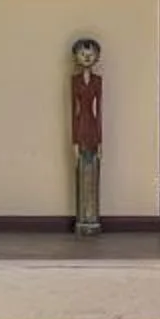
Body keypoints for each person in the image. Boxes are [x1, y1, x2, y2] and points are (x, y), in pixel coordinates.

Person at [69, 37, 104, 236]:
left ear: (97, 57)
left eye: (90, 54)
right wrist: (74, 139)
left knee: (94, 167)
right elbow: (74, 110)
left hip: (93, 128)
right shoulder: (74, 81)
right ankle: (83, 218)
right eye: (83, 54)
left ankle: (93, 218)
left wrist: (100, 140)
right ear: (76, 57)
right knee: (81, 167)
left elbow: (99, 110)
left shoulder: (98, 81)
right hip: (80, 127)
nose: (87, 57)